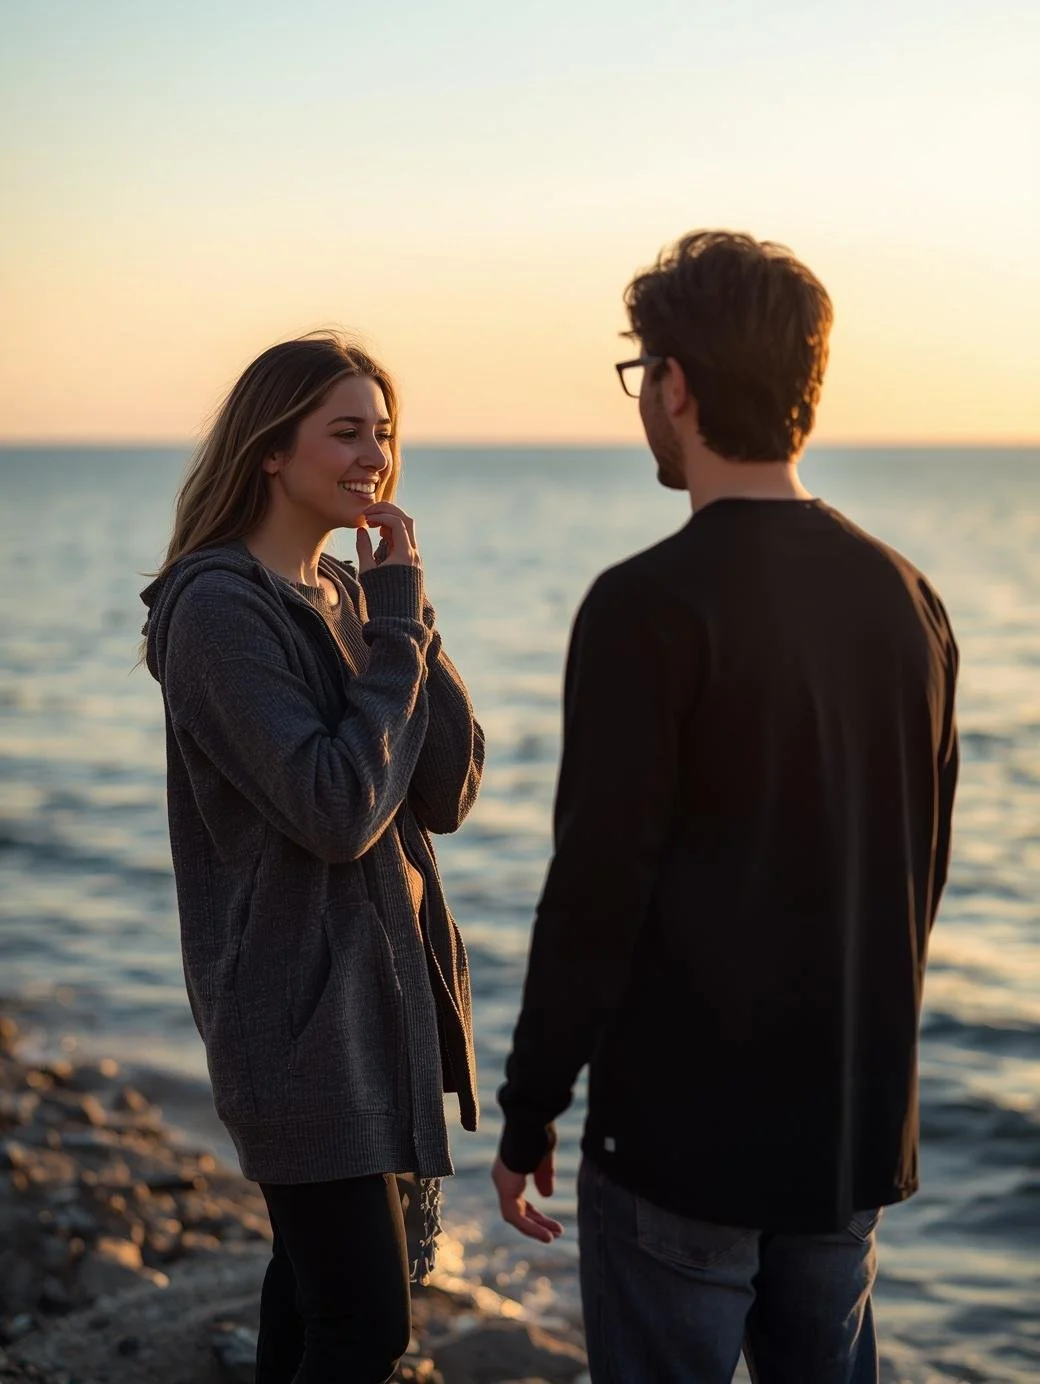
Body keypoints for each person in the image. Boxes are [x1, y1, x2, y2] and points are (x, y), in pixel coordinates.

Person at [493, 231, 959, 1383]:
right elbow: (921, 870)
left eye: (641, 371)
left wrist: (528, 1107)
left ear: (676, 385)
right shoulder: (909, 600)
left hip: (679, 1144)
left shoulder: (643, 607)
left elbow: (596, 886)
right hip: (847, 1132)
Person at [141, 334, 483, 1384]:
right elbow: (335, 808)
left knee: (310, 1292)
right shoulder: (215, 611)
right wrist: (391, 633)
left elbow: (443, 788)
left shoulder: (349, 592)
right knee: (363, 1325)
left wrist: (406, 612)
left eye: (383, 433)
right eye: (345, 432)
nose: (373, 455)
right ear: (269, 452)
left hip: (377, 1012)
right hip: (294, 1020)